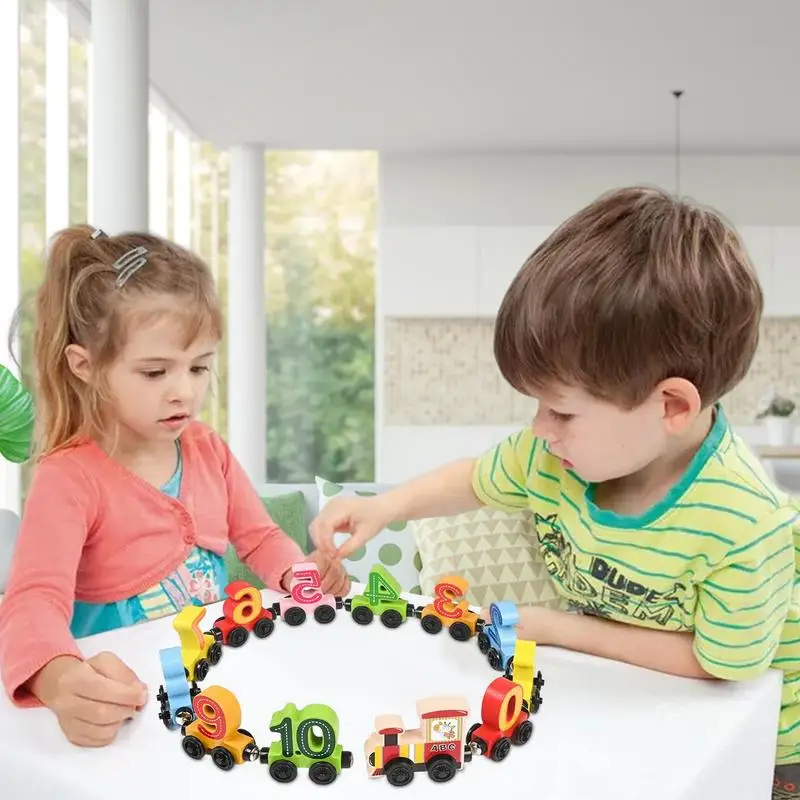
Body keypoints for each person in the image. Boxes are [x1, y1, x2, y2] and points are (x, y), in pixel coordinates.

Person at [310, 186, 800, 799]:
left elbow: (720, 664)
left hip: (761, 745)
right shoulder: (555, 458)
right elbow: (475, 478)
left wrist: (558, 628)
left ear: (671, 405)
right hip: (629, 696)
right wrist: (387, 506)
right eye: (538, 405)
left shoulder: (744, 524)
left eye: (562, 411)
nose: (540, 428)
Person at [0, 225, 349, 748]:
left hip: (211, 688)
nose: (183, 390)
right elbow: (33, 599)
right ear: (86, 366)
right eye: (155, 372)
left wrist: (300, 575)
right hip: (126, 712)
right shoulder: (67, 478)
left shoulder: (208, 449)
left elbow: (258, 538)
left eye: (199, 367)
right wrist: (59, 679)